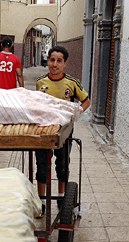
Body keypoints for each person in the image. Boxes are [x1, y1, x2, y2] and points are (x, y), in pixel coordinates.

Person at [35, 45, 90, 217]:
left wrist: (77, 113)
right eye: (52, 60)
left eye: (59, 61)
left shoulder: (72, 83)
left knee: (62, 166)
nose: (55, 64)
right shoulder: (41, 82)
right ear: (48, 61)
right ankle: (42, 202)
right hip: (44, 131)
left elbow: (86, 100)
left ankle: (61, 199)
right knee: (42, 166)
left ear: (65, 63)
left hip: (64, 133)